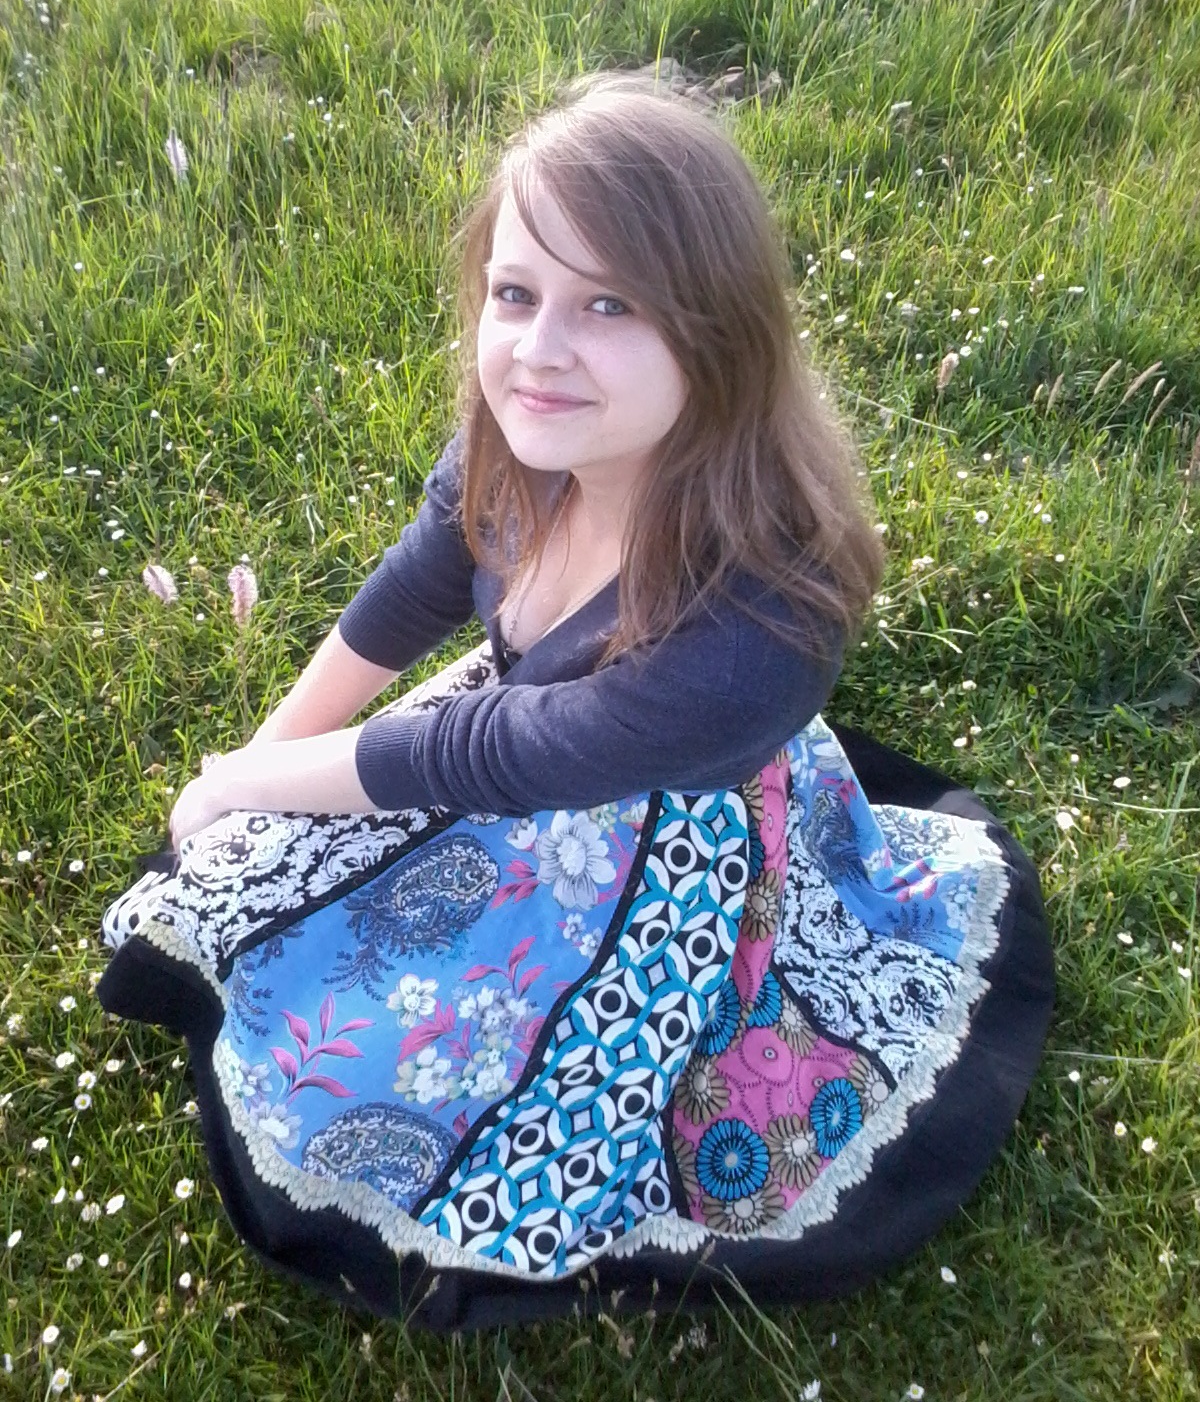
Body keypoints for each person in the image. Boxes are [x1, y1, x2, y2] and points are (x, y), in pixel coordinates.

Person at [97, 68, 1054, 1334]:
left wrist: (238, 782)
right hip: (496, 743)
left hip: (667, 851)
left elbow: (487, 752)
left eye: (608, 304)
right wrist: (262, 758)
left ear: (714, 333)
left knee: (467, 1101)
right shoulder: (528, 440)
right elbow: (413, 591)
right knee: (239, 883)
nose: (538, 350)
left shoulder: (758, 623)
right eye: (515, 293)